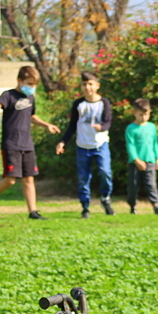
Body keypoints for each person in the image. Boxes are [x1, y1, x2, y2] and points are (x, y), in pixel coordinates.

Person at [0, 65, 61, 220]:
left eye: (34, 85)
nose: (32, 88)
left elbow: (31, 117)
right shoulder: (8, 96)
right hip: (11, 144)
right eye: (29, 84)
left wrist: (46, 125)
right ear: (19, 80)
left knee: (29, 178)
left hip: (27, 144)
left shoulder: (30, 98)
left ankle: (33, 212)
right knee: (10, 180)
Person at [56, 71, 114, 218]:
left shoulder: (104, 103)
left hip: (100, 145)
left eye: (90, 84)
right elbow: (72, 126)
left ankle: (105, 198)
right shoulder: (78, 104)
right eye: (84, 84)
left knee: (105, 172)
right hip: (82, 146)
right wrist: (63, 142)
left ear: (97, 85)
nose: (87, 87)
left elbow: (108, 122)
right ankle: (85, 207)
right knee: (83, 178)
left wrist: (102, 127)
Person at [124, 98, 158, 215]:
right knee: (133, 186)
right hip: (135, 163)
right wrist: (136, 160)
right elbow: (130, 146)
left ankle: (156, 206)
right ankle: (132, 206)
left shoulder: (151, 127)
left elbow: (155, 143)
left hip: (150, 160)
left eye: (146, 114)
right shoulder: (131, 128)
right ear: (135, 113)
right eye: (140, 114)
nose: (143, 117)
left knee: (151, 185)